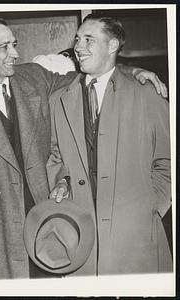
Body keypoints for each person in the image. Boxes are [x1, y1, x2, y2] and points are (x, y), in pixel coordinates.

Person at [0, 15, 167, 280]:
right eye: (4, 47)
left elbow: (88, 74)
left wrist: (131, 71)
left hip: (48, 229)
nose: (16, 53)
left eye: (15, 44)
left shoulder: (33, 77)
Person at [47, 14, 172, 275]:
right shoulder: (59, 97)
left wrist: (151, 207)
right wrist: (62, 180)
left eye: (89, 40)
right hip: (81, 240)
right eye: (78, 39)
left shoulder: (147, 93)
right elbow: (56, 155)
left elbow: (168, 159)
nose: (78, 47)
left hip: (135, 241)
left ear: (113, 46)